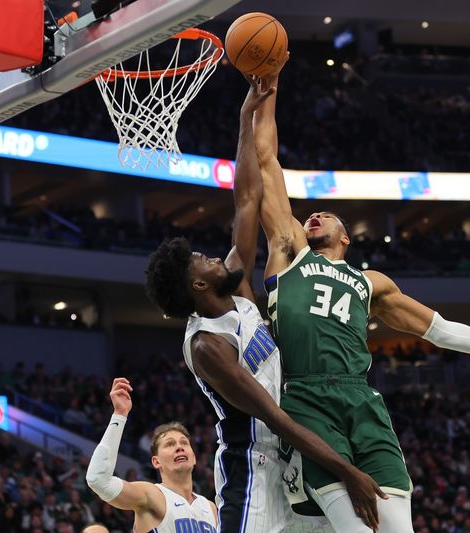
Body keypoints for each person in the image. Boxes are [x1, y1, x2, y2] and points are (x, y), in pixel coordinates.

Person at [252, 58, 470, 532]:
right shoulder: (289, 253)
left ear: (347, 238)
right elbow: (266, 162)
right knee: (353, 527)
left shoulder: (371, 282)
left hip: (362, 399)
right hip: (306, 397)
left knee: (399, 528)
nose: (315, 217)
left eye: (327, 215)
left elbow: (441, 331)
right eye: (311, 214)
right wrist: (267, 93)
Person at [145, 77, 383, 532]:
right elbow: (274, 416)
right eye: (200, 258)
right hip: (251, 468)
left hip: (294, 459)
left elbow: (248, 198)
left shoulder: (234, 288)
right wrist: (347, 471)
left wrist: (244, 119)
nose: (211, 255)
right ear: (196, 283)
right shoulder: (206, 347)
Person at [86, 377, 219, 533]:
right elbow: (98, 479)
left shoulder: (210, 508)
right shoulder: (150, 495)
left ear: (194, 457)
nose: (179, 447)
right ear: (156, 462)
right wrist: (119, 415)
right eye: (170, 444)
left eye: (184, 443)